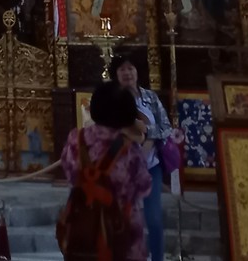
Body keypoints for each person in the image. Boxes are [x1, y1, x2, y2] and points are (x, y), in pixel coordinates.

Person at [60, 81, 152, 261]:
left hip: (83, 228)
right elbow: (144, 186)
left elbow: (69, 173)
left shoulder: (76, 140)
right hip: (121, 232)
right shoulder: (130, 149)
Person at [110, 55, 171, 261]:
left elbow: (166, 127)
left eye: (131, 68)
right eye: (122, 69)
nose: (127, 73)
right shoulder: (112, 100)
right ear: (116, 74)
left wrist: (148, 134)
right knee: (123, 219)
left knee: (153, 219)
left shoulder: (150, 98)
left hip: (151, 167)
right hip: (122, 170)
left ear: (137, 71)